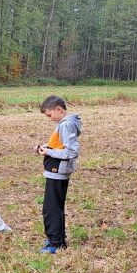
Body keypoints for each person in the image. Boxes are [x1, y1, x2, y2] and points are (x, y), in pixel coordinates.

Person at [35, 95, 82, 254]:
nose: (50, 119)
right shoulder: (66, 124)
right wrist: (46, 147)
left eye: (50, 115)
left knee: (51, 209)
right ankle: (58, 239)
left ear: (59, 109)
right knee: (55, 207)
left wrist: (48, 151)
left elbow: (71, 152)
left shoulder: (66, 125)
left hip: (58, 171)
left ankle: (55, 243)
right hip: (57, 170)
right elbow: (61, 145)